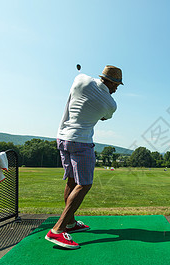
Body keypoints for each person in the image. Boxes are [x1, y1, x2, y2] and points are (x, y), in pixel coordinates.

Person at [45, 65, 123, 249]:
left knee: (72, 181)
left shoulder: (80, 79)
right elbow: (104, 117)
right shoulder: (111, 104)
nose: (116, 89)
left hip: (62, 138)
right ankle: (57, 230)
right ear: (110, 81)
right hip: (81, 142)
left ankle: (70, 223)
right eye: (116, 85)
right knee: (84, 184)